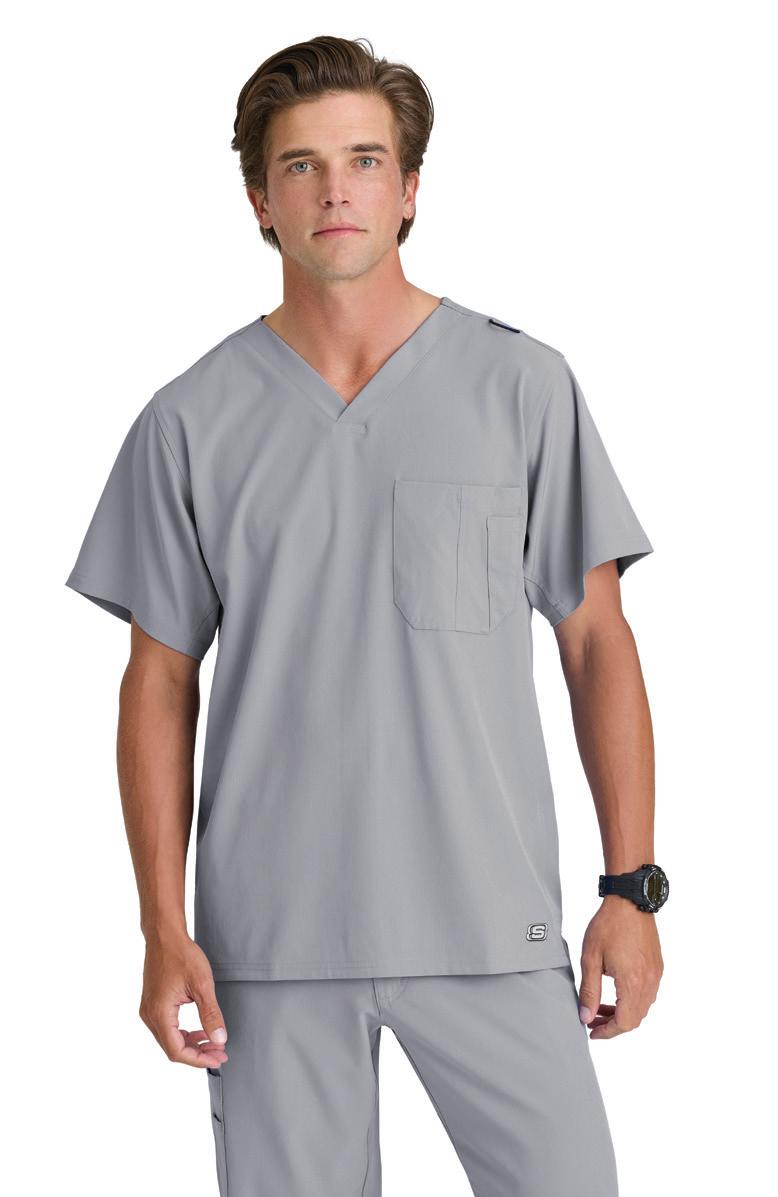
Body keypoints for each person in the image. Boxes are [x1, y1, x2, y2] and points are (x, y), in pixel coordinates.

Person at [64, 33, 667, 1197]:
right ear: (259, 200)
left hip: (491, 924)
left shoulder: (521, 387)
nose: (333, 190)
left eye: (363, 160)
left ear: (409, 190)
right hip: (270, 946)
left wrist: (629, 887)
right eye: (300, 166)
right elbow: (159, 679)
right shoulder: (190, 420)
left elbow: (596, 640)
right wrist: (161, 925)